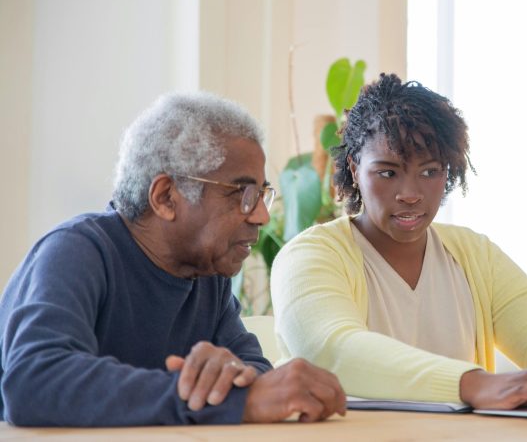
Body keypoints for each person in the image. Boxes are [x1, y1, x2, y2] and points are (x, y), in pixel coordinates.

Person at [271, 74, 527, 410]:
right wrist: (474, 384)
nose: (410, 193)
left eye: (430, 172)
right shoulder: (309, 257)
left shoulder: (474, 254)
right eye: (387, 172)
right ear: (354, 169)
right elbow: (333, 350)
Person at [0, 93, 345, 426]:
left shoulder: (208, 275)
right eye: (243, 194)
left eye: (261, 195)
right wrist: (223, 400)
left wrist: (233, 380)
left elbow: (254, 369)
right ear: (165, 197)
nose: (260, 217)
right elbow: (34, 381)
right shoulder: (76, 252)